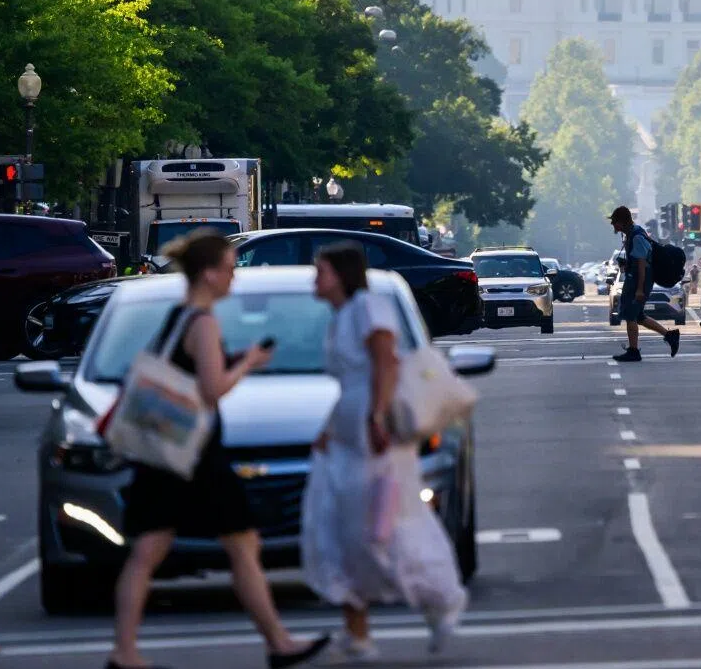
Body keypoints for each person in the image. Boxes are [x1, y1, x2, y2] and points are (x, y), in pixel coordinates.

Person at [107, 230, 327, 669]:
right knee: (241, 546)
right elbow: (211, 392)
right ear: (209, 274)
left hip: (167, 453)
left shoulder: (179, 316)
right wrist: (246, 363)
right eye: (229, 269)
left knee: (150, 552)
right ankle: (278, 643)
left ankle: (125, 651)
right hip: (197, 456)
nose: (233, 278)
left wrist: (230, 359)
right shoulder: (204, 323)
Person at [303, 241, 467, 661]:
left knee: (388, 527)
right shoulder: (339, 316)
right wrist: (328, 428)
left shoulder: (368, 308)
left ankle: (441, 600)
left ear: (341, 274)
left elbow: (386, 363)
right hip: (345, 436)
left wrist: (376, 417)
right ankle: (357, 632)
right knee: (342, 532)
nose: (313, 279)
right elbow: (349, 381)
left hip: (372, 437)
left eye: (320, 271)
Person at [609, 206, 678, 362]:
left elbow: (642, 264)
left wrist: (640, 289)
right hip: (635, 278)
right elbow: (636, 261)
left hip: (638, 281)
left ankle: (634, 351)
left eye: (615, 222)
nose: (613, 225)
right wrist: (626, 265)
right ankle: (670, 336)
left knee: (630, 314)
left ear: (622, 221)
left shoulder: (637, 236)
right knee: (638, 316)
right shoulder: (631, 234)